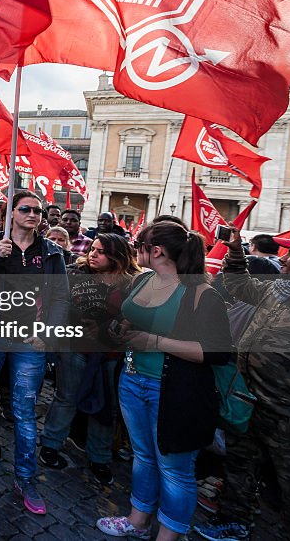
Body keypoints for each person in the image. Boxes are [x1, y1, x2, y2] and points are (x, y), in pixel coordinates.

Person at [96, 221, 232, 541]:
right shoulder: (144, 279)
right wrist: (124, 327)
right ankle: (138, 520)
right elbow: (137, 316)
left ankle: (168, 536)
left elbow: (217, 352)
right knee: (143, 457)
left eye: (139, 244)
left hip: (174, 392)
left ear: (155, 251)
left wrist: (155, 342)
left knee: (174, 469)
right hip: (132, 380)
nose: (134, 248)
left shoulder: (200, 292)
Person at [191, 230, 290, 541]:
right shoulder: (277, 290)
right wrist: (235, 251)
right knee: (239, 467)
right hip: (248, 402)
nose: (285, 260)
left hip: (286, 414)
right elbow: (238, 283)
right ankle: (235, 521)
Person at [0, 190, 70, 516]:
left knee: (24, 413)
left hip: (30, 343)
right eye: (26, 209)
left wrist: (49, 332)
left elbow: (61, 299)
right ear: (11, 213)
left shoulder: (52, 253)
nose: (33, 214)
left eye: (38, 210)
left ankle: (25, 479)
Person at [38, 234, 139, 486]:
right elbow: (57, 305)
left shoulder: (133, 284)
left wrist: (111, 326)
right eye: (92, 249)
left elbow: (136, 317)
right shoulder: (75, 274)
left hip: (110, 354)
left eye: (101, 251)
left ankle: (100, 458)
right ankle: (50, 445)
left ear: (117, 255)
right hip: (74, 348)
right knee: (66, 397)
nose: (93, 254)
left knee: (106, 407)